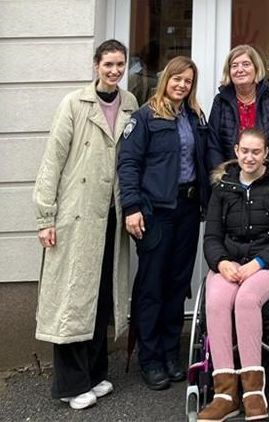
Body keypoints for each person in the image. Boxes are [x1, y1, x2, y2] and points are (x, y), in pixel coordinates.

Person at [33, 39, 138, 410]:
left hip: (109, 216)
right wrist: (45, 217)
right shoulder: (74, 103)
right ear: (96, 65)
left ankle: (94, 373)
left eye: (120, 64)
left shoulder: (129, 103)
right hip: (75, 215)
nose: (114, 70)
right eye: (108, 64)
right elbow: (53, 160)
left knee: (101, 295)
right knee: (73, 297)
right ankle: (70, 384)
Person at [118, 56, 211, 390]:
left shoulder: (195, 116)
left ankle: (171, 354)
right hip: (156, 212)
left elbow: (203, 160)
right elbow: (128, 163)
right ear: (166, 79)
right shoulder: (145, 117)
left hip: (188, 209)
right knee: (152, 285)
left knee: (177, 283)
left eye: (188, 81)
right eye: (177, 79)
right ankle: (150, 358)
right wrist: (131, 206)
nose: (182, 85)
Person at [197, 129, 269, 422]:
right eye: (244, 151)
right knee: (216, 300)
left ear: (266, 153)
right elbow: (212, 236)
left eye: (256, 152)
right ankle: (225, 395)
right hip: (230, 262)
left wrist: (259, 262)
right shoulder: (223, 186)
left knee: (246, 299)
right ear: (236, 151)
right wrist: (221, 262)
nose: (249, 157)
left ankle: (254, 393)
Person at [207, 44, 269, 170]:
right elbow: (213, 145)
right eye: (234, 65)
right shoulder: (220, 101)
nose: (240, 70)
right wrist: (222, 175)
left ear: (256, 68)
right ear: (229, 72)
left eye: (246, 64)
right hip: (231, 176)